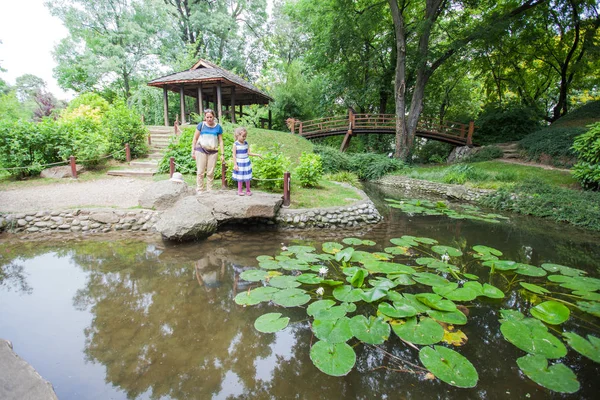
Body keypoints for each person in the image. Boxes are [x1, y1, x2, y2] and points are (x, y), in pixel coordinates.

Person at [191, 109, 224, 192]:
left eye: (211, 117)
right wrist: (193, 151)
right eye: (207, 117)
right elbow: (195, 139)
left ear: (214, 117)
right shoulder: (201, 125)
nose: (209, 119)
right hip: (201, 150)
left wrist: (222, 154)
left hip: (213, 151)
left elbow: (221, 141)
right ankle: (200, 189)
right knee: (200, 171)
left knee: (210, 172)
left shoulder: (218, 127)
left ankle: (209, 189)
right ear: (205, 117)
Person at [232, 127, 261, 196]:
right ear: (237, 135)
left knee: (247, 176)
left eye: (245, 136)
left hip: (246, 162)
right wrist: (235, 164)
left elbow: (248, 153)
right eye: (243, 136)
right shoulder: (235, 144)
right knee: (240, 177)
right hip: (240, 162)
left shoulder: (246, 143)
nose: (244, 138)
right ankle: (240, 190)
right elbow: (234, 155)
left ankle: (248, 190)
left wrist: (257, 154)